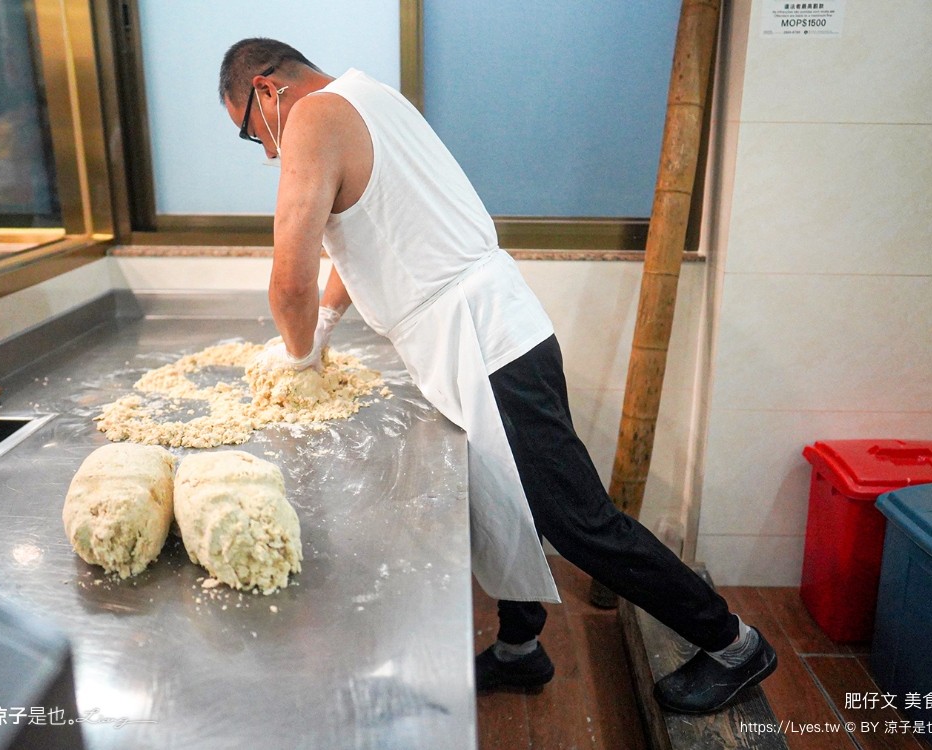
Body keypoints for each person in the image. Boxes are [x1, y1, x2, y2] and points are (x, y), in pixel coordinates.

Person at [218, 38, 777, 713]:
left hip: (486, 342)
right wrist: (330, 327)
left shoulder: (309, 117)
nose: (270, 152)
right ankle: (520, 647)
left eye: (253, 133)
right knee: (496, 495)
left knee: (578, 522)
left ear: (269, 89)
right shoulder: (369, 97)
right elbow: (362, 238)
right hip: (486, 333)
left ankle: (735, 643)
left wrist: (300, 358)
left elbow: (290, 281)